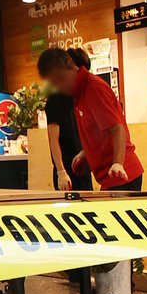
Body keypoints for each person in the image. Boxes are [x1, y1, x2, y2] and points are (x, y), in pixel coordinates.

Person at [37, 46, 143, 192]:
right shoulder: (77, 95)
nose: (60, 87)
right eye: (55, 84)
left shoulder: (93, 88)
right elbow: (99, 133)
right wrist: (85, 153)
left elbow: (118, 129)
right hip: (108, 177)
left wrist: (118, 164)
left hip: (122, 175)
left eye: (61, 79)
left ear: (71, 65)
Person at [43, 48, 91, 189]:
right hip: (66, 170)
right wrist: (60, 171)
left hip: (83, 167)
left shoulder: (82, 95)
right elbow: (53, 139)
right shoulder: (55, 97)